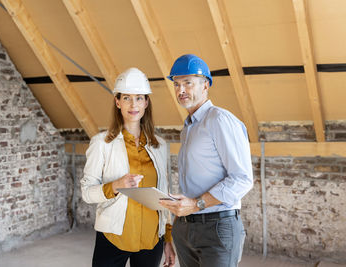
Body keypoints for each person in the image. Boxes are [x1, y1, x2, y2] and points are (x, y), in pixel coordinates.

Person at [160, 54, 254, 267]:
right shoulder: (189, 127)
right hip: (186, 227)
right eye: (176, 84)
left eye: (187, 83)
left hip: (217, 226)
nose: (180, 90)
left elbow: (242, 179)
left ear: (206, 85)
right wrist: (178, 223)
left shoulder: (219, 119)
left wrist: (196, 204)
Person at [81, 67, 176, 267]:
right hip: (114, 237)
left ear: (146, 102)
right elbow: (87, 193)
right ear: (117, 102)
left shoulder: (160, 145)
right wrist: (115, 185)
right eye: (126, 98)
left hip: (152, 240)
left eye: (139, 98)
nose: (133, 104)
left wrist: (167, 238)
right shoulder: (101, 144)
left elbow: (164, 194)